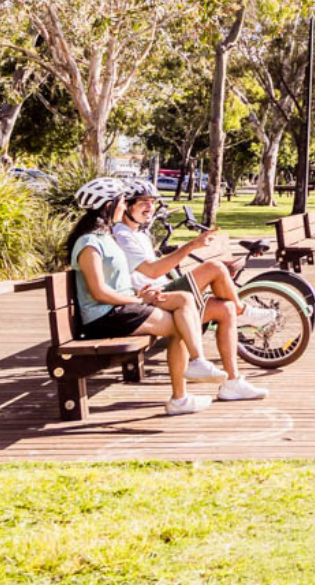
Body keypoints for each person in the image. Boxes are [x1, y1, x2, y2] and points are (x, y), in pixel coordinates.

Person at [66, 177, 226, 415]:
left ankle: (196, 364)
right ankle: (182, 393)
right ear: (108, 205)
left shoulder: (105, 238)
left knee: (184, 299)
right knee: (179, 326)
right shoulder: (89, 244)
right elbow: (99, 292)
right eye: (121, 201)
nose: (123, 205)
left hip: (119, 309)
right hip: (104, 317)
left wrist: (140, 294)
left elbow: (116, 284)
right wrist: (139, 300)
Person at [112, 178, 270, 401]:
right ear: (126, 205)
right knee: (214, 267)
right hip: (155, 298)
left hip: (165, 295)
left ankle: (233, 383)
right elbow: (153, 272)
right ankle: (244, 310)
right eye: (142, 203)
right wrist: (192, 246)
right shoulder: (123, 235)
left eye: (152, 202)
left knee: (225, 309)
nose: (149, 207)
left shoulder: (138, 233)